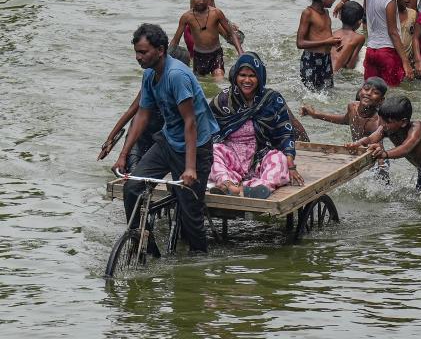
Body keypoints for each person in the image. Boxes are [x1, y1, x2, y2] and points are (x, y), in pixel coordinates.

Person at [112, 23, 218, 253]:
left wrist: (190, 168)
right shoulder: (150, 74)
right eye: (136, 53)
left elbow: (190, 122)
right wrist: (122, 155)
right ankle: (146, 245)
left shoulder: (176, 76)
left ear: (160, 50)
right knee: (132, 187)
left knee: (191, 215)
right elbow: (143, 113)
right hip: (168, 141)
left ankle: (198, 264)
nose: (138, 58)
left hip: (195, 148)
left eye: (143, 52)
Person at [208, 52, 303, 198]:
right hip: (231, 157)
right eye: (242, 75)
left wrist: (291, 166)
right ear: (235, 77)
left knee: (279, 159)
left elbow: (285, 133)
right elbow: (208, 132)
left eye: (252, 76)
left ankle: (258, 187)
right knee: (212, 151)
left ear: (259, 77)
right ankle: (227, 184)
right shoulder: (223, 100)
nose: (247, 80)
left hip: (261, 156)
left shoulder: (272, 100)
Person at [98, 47, 191, 170]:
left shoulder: (183, 88)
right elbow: (131, 111)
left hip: (162, 140)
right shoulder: (151, 83)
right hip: (139, 136)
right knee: (132, 171)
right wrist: (110, 140)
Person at [347, 96, 421, 195]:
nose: (382, 125)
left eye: (387, 122)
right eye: (381, 120)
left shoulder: (417, 128)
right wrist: (358, 144)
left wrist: (384, 154)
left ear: (403, 122)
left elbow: (405, 148)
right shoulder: (386, 128)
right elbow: (372, 138)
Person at [170, 0, 243, 79]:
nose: (201, 1)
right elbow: (175, 41)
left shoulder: (216, 13)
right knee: (200, 82)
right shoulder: (186, 17)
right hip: (198, 56)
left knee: (219, 77)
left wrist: (240, 52)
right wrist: (165, 58)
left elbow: (231, 33)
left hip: (216, 54)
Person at [364, 0, 414, 86]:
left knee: (370, 91)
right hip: (387, 53)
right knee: (392, 93)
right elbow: (393, 32)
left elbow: (384, 3)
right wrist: (406, 62)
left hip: (371, 50)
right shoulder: (390, 0)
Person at [300, 77, 387, 141]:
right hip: (356, 153)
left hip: (371, 157)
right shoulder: (352, 107)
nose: (368, 93)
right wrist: (315, 114)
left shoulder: (377, 122)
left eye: (375, 92)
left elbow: (378, 147)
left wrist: (381, 164)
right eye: (366, 89)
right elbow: (344, 120)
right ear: (360, 92)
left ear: (381, 100)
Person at [296, 0, 342, 91]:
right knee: (310, 93)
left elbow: (325, 37)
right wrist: (326, 41)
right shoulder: (308, 13)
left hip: (326, 59)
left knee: (327, 93)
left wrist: (333, 43)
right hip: (310, 60)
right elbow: (300, 43)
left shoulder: (326, 13)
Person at [331, 1, 366, 72]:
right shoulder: (359, 38)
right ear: (359, 22)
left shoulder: (333, 34)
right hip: (336, 74)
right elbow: (351, 65)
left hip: (324, 70)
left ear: (340, 17)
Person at [398, 0, 417, 66]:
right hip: (393, 58)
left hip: (409, 61)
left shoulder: (413, 14)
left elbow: (416, 38)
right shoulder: (390, 14)